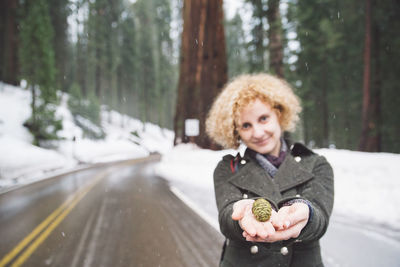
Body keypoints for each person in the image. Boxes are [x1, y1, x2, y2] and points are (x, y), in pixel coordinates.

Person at [205, 73, 334, 267]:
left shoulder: (315, 164)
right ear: (235, 131)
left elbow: (320, 219)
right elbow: (227, 218)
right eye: (246, 125)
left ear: (279, 115)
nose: (257, 133)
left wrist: (306, 213)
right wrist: (241, 216)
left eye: (263, 118)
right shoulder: (228, 167)